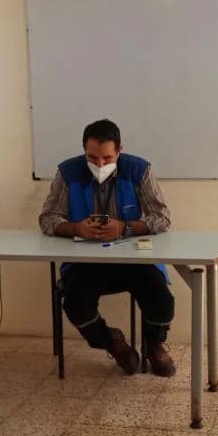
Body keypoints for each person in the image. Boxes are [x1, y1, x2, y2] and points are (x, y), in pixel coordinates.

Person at [39, 118, 176, 376]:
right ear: (84, 151)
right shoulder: (68, 173)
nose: (100, 164)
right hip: (86, 262)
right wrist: (76, 228)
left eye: (107, 157)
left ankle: (154, 344)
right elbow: (47, 218)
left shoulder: (139, 170)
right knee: (75, 304)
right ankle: (112, 341)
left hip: (133, 260)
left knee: (162, 298)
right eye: (92, 158)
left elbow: (162, 218)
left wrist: (125, 228)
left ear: (119, 151)